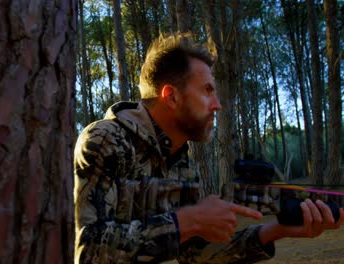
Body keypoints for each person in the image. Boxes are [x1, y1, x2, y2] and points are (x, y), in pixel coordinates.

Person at [73, 33, 344, 263]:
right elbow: (89, 250)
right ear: (172, 96)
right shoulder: (106, 140)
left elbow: (195, 255)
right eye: (207, 90)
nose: (217, 104)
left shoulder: (181, 163)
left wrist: (278, 230)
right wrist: (188, 220)